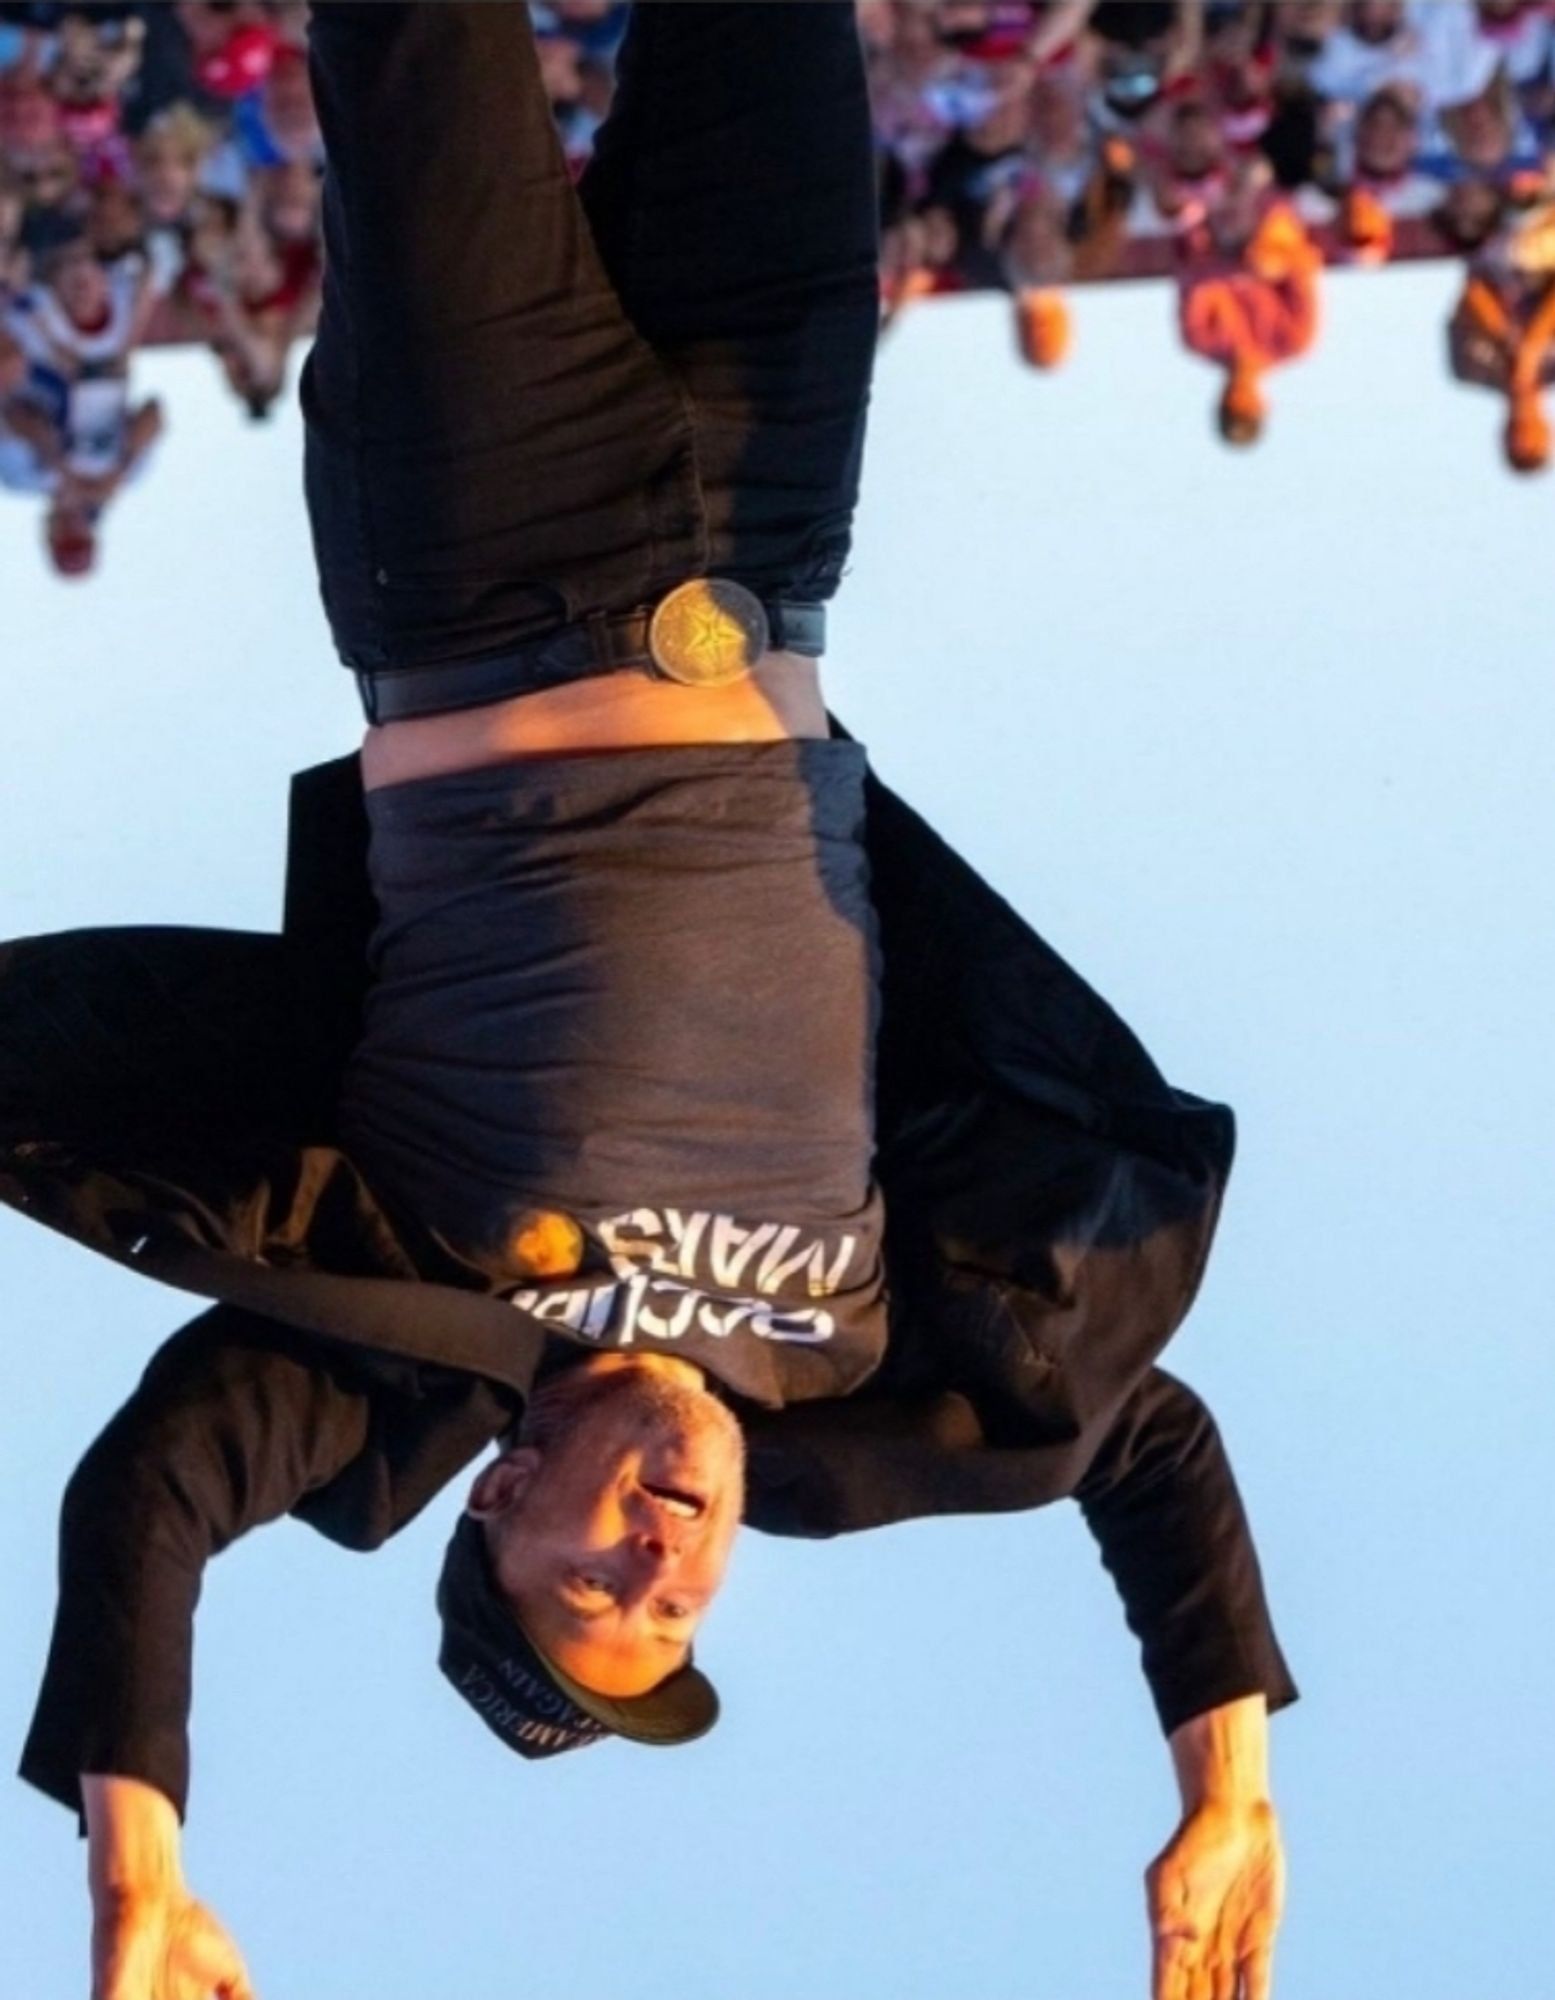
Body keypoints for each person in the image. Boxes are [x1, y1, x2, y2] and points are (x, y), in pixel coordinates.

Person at [0, 7, 1293, 1997]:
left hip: (482, 552)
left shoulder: (422, 1350)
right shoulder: (844, 1379)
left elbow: (154, 1491)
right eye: (673, 1612)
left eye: (592, 1581)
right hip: (767, 536)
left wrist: (132, 1858)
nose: (661, 1561)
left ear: (501, 1500)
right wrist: (1228, 1783)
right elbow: (1136, 1440)